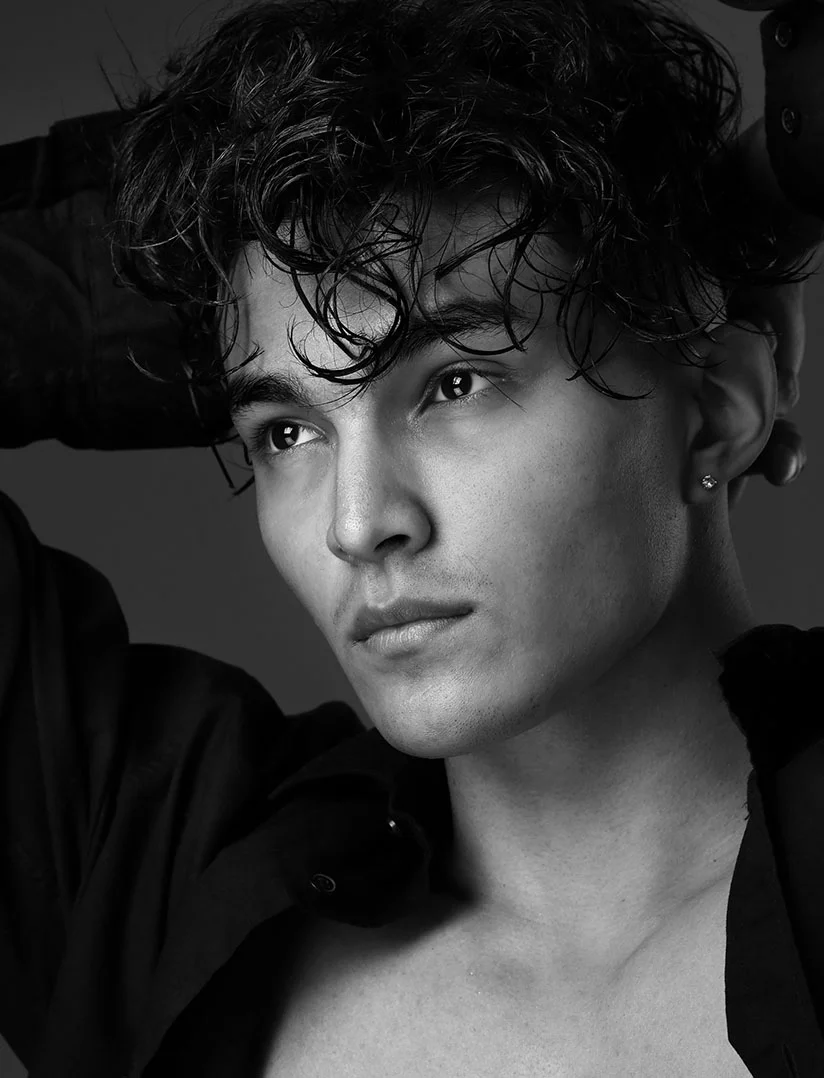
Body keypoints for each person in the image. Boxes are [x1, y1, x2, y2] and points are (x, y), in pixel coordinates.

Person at [1, 0, 824, 1076]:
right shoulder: (155, 888)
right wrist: (222, 267)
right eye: (286, 428)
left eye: (453, 383)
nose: (356, 522)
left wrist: (712, 212)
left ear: (715, 406)